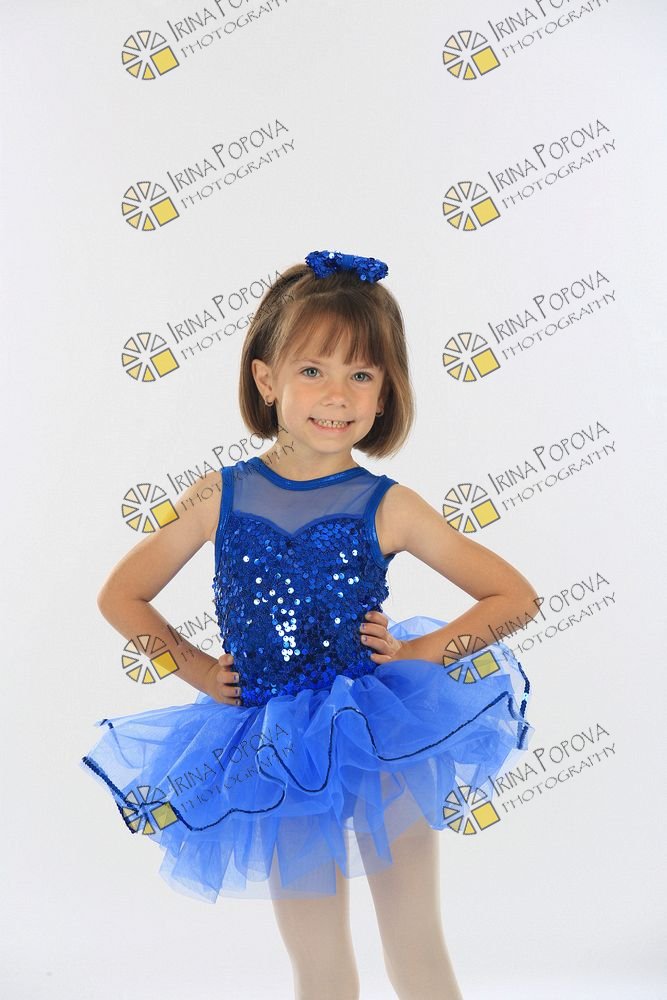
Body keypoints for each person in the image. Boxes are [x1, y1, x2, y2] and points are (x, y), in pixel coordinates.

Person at [80, 249, 539, 1000]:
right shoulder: (217, 496)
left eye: (361, 374)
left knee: (415, 941)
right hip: (274, 749)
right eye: (313, 370)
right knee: (319, 963)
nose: (337, 394)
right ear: (266, 380)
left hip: (381, 736)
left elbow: (511, 595)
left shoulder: (389, 504)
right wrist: (200, 671)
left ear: (386, 391)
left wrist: (419, 652)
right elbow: (121, 596)